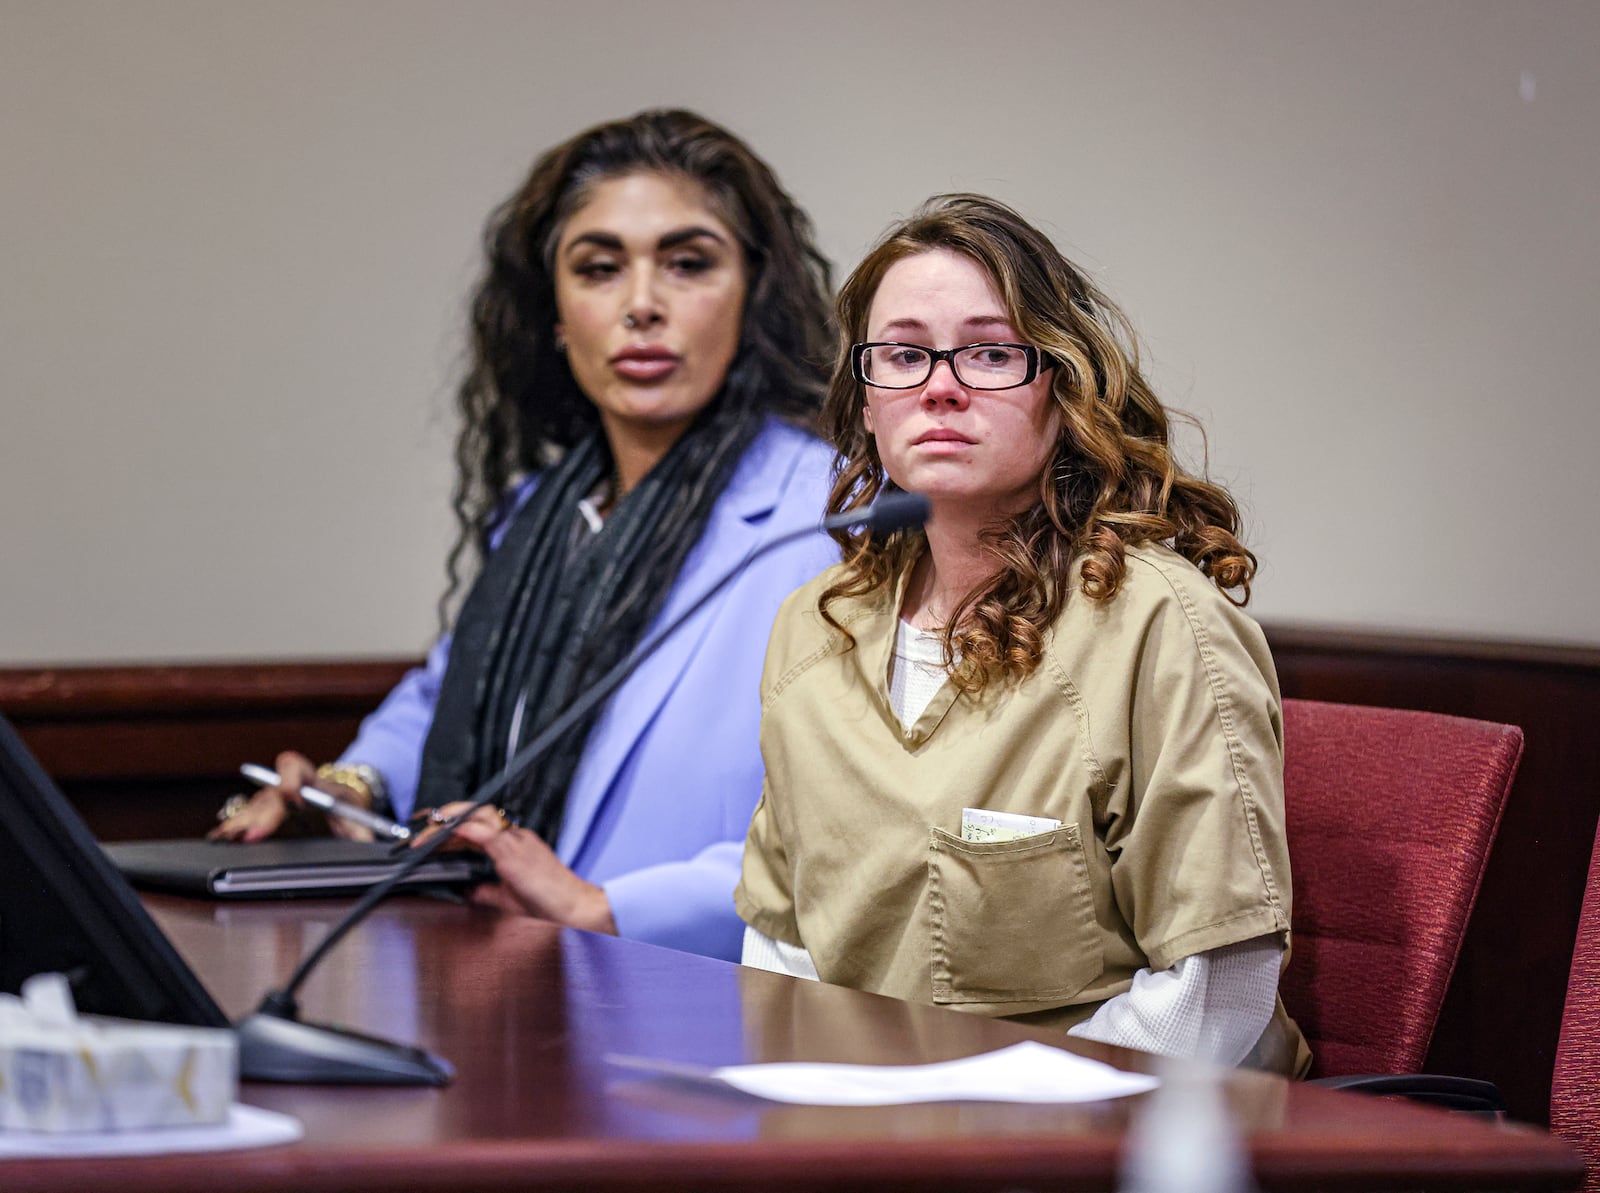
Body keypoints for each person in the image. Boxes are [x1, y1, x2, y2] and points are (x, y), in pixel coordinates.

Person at [210, 109, 838, 962]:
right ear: (556, 312)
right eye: (599, 268)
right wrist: (346, 786)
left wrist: (608, 907)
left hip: (697, 995)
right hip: (490, 973)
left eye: (688, 264)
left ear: (751, 297)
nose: (642, 305)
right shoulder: (542, 512)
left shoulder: (831, 513)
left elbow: (857, 822)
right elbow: (444, 697)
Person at [735, 194, 1310, 1074]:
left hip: (1099, 1135)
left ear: (1064, 385)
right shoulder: (816, 626)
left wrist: (987, 1116)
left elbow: (1219, 989)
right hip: (861, 1133)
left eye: (992, 352)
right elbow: (782, 956)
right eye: (903, 354)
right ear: (866, 398)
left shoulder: (1159, 622)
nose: (940, 385)